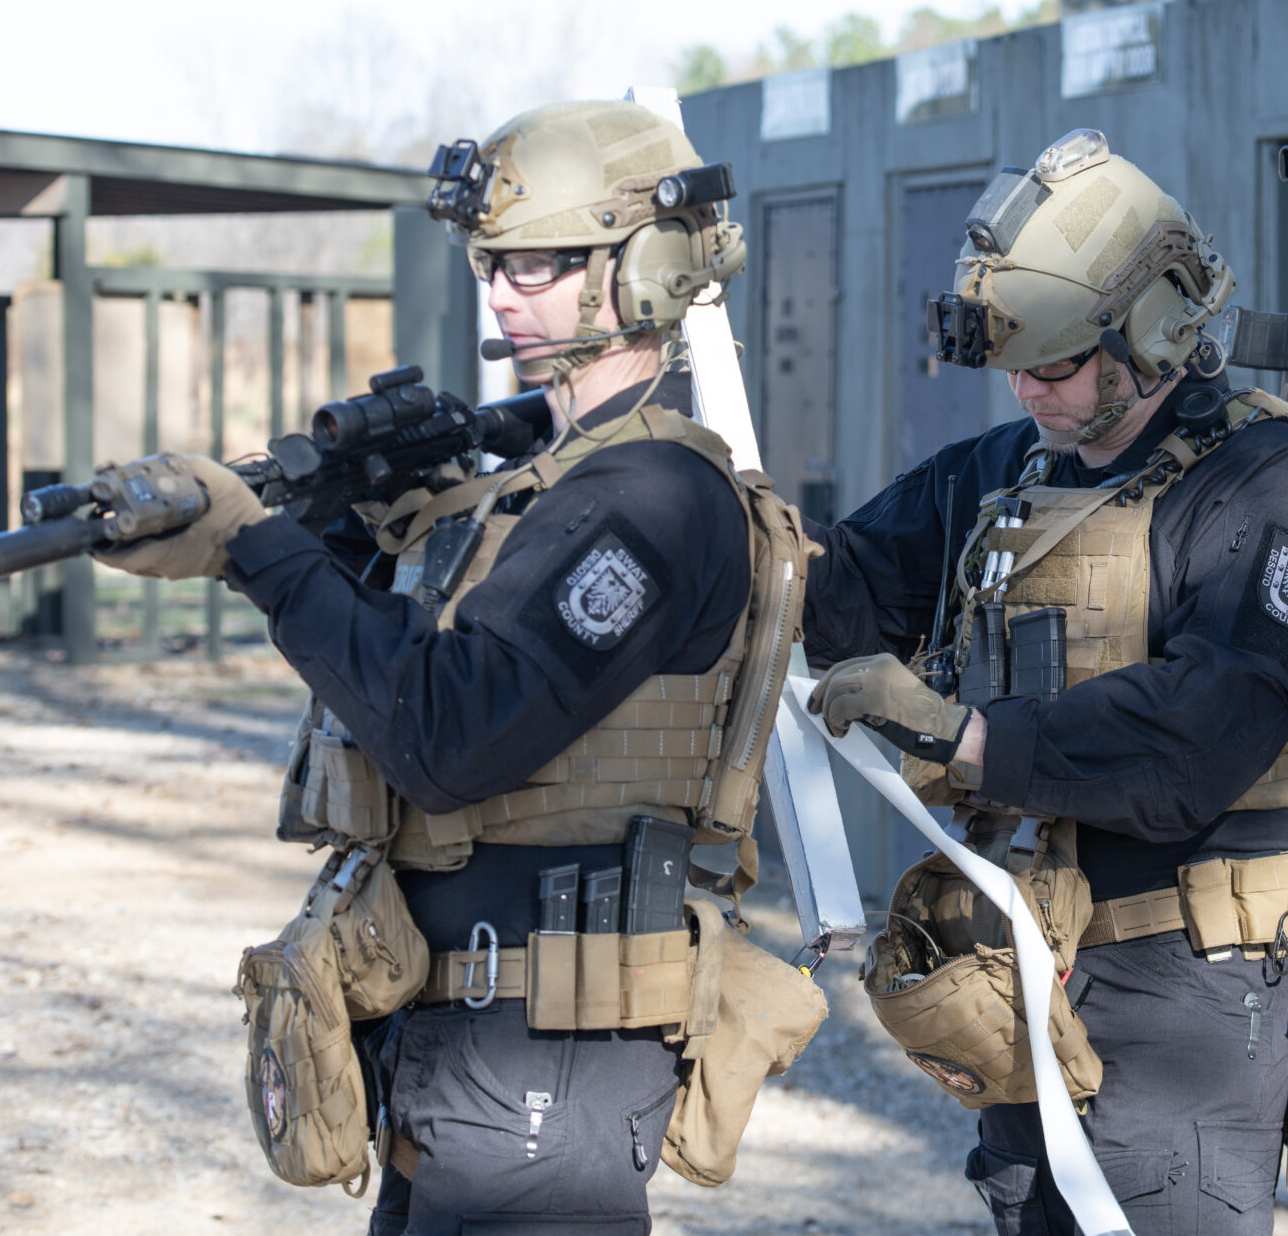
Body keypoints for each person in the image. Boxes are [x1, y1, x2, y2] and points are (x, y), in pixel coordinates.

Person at [94, 99, 821, 1236]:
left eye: (536, 263)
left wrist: (259, 549)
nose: (502, 293)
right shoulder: (542, 487)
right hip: (463, 1035)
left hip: (548, 1051)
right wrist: (341, 530)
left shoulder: (650, 499)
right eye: (491, 263)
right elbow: (397, 672)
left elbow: (449, 736)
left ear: (642, 268)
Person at [802, 127, 1288, 1235]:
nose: (1026, 388)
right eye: (1014, 363)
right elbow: (855, 583)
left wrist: (968, 738)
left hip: (1188, 992)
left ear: (1150, 331)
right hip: (1030, 953)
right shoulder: (1012, 470)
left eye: (1057, 363)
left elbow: (1201, 734)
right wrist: (731, 536)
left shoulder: (1268, 486)